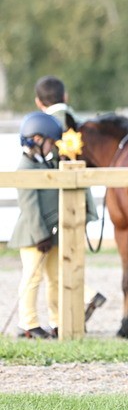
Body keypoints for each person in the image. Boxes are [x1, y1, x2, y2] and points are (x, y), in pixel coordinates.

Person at [33, 75, 106, 319]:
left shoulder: (42, 126)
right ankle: (68, 313)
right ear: (66, 97)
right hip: (82, 197)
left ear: (38, 102)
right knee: (67, 259)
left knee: (57, 265)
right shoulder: (82, 124)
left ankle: (76, 306)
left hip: (55, 205)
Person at [10, 113, 65, 338]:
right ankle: (28, 323)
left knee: (55, 277)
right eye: (51, 142)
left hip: (50, 234)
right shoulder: (25, 167)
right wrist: (40, 234)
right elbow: (29, 206)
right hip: (34, 234)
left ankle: (58, 320)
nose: (52, 147)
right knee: (33, 277)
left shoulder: (46, 162)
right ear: (37, 139)